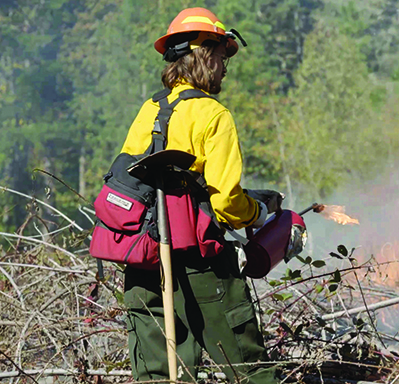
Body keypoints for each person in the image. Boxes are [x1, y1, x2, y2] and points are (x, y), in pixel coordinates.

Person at [118, 8, 281, 384]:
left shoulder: (149, 111)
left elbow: (135, 182)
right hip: (198, 264)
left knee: (159, 374)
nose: (225, 66)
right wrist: (257, 213)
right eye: (222, 55)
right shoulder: (213, 114)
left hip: (144, 262)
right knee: (248, 368)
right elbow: (226, 202)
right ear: (204, 54)